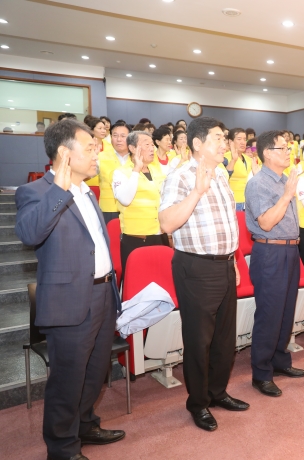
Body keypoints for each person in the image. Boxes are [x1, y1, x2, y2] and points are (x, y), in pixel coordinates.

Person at [15, 119, 125, 459]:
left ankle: (85, 424)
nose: (98, 152)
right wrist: (59, 187)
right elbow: (30, 234)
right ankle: (62, 448)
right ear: (65, 154)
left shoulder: (89, 191)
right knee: (68, 379)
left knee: (95, 370)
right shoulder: (33, 192)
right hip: (69, 301)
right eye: (90, 148)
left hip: (102, 294)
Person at [159, 117, 249, 432]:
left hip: (224, 264)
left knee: (225, 339)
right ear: (198, 144)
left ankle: (218, 392)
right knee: (199, 340)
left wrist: (233, 262)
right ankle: (197, 403)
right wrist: (197, 192)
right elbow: (167, 223)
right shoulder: (180, 176)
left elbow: (226, 224)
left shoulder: (222, 174)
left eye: (225, 138)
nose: (225, 143)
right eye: (218, 138)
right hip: (196, 268)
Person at [244, 131, 304, 397]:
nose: (288, 152)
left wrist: (288, 191)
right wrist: (287, 195)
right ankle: (261, 373)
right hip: (270, 253)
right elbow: (267, 223)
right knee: (269, 315)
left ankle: (280, 361)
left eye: (288, 147)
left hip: (290, 252)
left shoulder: (283, 180)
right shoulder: (259, 184)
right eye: (283, 148)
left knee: (285, 312)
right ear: (267, 152)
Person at [112, 131, 168, 285]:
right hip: (137, 239)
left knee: (161, 281)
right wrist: (136, 170)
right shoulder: (121, 173)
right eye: (147, 144)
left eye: (152, 144)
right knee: (138, 284)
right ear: (132, 148)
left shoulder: (157, 171)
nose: (152, 149)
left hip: (160, 235)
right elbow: (125, 199)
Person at [98, 120, 132, 224]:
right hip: (109, 210)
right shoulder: (100, 156)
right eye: (115, 135)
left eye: (123, 136)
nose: (118, 139)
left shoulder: (137, 158)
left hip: (132, 210)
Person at [225, 128, 258, 211]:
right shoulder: (225, 158)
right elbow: (224, 177)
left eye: (244, 139)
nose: (243, 142)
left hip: (248, 200)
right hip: (233, 200)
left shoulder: (249, 159)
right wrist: (233, 160)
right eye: (239, 139)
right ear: (230, 142)